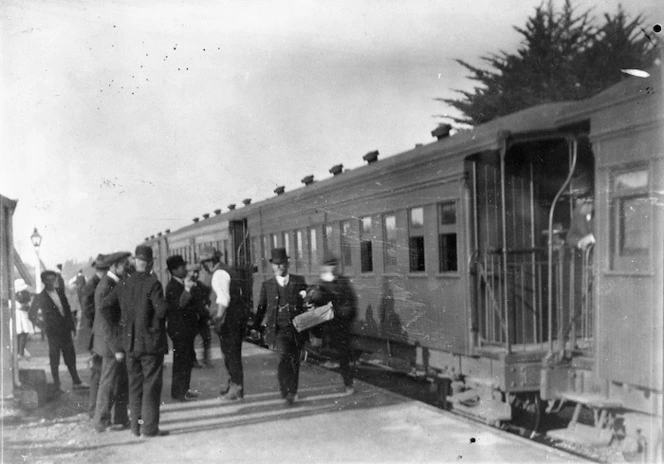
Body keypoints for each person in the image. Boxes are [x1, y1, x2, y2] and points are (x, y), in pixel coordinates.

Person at [106, 245, 169, 438]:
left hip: (129, 345)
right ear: (150, 264)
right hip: (150, 345)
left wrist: (119, 330)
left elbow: (105, 307)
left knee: (134, 386)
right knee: (150, 386)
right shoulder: (153, 283)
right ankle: (149, 428)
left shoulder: (123, 283)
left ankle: (135, 427)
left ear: (135, 261)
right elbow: (162, 311)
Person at [252, 248, 308, 405]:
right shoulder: (267, 285)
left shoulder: (299, 281)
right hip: (279, 330)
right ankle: (286, 392)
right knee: (284, 359)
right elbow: (261, 308)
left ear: (287, 264)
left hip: (297, 329)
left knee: (295, 361)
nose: (279, 267)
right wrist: (255, 327)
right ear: (272, 266)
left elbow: (306, 306)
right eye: (276, 264)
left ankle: (293, 391)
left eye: (282, 264)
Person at [199, 246, 247, 401]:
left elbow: (223, 299)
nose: (203, 266)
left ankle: (236, 389)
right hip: (235, 319)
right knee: (231, 354)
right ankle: (233, 384)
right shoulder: (227, 270)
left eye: (204, 262)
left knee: (230, 355)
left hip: (228, 321)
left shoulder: (219, 274)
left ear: (210, 261)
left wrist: (218, 319)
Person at [29, 270, 87, 392]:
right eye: (48, 280)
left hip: (65, 330)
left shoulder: (60, 292)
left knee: (70, 356)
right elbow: (31, 315)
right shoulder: (40, 297)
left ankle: (76, 381)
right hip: (53, 333)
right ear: (43, 281)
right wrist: (43, 327)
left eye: (53, 280)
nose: (51, 282)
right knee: (54, 358)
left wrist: (72, 326)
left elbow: (67, 309)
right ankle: (57, 384)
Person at [92, 252, 131, 433]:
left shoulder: (112, 283)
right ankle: (101, 421)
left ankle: (120, 419)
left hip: (113, 342)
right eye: (124, 264)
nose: (127, 267)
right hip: (110, 344)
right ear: (115, 265)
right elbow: (105, 322)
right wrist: (116, 348)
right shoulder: (106, 286)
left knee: (119, 381)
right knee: (108, 382)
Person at [314, 256, 358, 395]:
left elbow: (352, 301)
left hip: (341, 325)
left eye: (333, 265)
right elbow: (316, 305)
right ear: (324, 268)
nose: (332, 268)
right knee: (334, 353)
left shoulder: (343, 282)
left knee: (344, 355)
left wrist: (349, 313)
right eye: (329, 265)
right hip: (326, 325)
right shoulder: (320, 284)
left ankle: (348, 383)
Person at [164, 255, 199, 401]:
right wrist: (188, 288)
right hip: (179, 330)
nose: (185, 269)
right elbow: (181, 303)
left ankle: (184, 389)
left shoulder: (180, 284)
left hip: (186, 329)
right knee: (181, 362)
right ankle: (178, 392)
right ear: (174, 270)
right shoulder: (172, 286)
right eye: (182, 267)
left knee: (186, 361)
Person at [80, 254, 109, 418]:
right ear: (104, 270)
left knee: (99, 372)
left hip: (97, 334)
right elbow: (88, 312)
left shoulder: (96, 283)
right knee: (97, 372)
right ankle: (93, 409)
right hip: (95, 335)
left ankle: (96, 409)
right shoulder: (92, 286)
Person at [187, 263, 212, 368]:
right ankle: (193, 360)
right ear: (188, 273)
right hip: (192, 317)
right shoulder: (187, 286)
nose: (196, 274)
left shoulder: (200, 285)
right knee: (190, 340)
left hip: (202, 317)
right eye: (194, 272)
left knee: (206, 337)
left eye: (197, 272)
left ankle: (206, 359)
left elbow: (208, 295)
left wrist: (207, 304)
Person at [14, 279, 35, 359]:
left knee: (24, 332)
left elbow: (28, 303)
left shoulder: (25, 293)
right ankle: (17, 352)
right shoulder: (13, 294)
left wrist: (26, 306)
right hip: (17, 314)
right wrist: (19, 306)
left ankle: (21, 352)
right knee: (17, 332)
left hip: (24, 315)